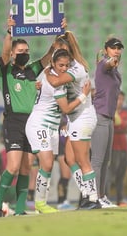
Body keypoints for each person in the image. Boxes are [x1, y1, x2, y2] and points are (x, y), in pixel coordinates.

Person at [0, 17, 67, 217]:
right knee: (14, 166)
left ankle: (19, 209)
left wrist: (59, 33)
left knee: (26, 166)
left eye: (27, 51)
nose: (24, 54)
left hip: (32, 122)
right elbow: (5, 51)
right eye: (20, 52)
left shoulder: (34, 70)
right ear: (13, 54)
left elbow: (51, 54)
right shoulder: (6, 70)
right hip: (13, 121)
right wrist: (10, 31)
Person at [25, 49, 91, 213]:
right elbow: (66, 108)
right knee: (46, 163)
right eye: (61, 65)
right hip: (40, 124)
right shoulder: (57, 83)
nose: (64, 68)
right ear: (53, 63)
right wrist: (83, 95)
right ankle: (38, 203)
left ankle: (41, 203)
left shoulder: (49, 75)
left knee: (47, 165)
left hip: (51, 127)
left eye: (67, 65)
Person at [45, 31, 101, 209]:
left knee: (82, 160)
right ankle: (86, 193)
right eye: (57, 48)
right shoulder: (64, 69)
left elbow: (55, 82)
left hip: (82, 117)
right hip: (75, 118)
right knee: (70, 159)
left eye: (63, 47)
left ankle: (92, 199)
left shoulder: (75, 69)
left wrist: (47, 71)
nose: (59, 51)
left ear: (69, 49)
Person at [90, 37, 124, 208]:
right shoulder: (104, 64)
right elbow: (108, 63)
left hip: (109, 118)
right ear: (106, 50)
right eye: (113, 47)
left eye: (119, 48)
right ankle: (94, 197)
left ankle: (101, 196)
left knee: (106, 161)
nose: (117, 50)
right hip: (100, 115)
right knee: (97, 160)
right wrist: (111, 60)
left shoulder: (116, 72)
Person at [107, 91, 127, 207]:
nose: (120, 101)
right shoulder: (109, 113)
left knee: (121, 175)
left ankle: (120, 199)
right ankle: (105, 198)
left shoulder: (125, 113)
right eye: (118, 99)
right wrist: (120, 126)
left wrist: (119, 126)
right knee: (110, 175)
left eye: (122, 99)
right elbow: (118, 126)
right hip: (113, 147)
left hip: (124, 147)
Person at [56, 116, 76, 210]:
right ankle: (61, 201)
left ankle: (64, 200)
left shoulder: (68, 117)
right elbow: (63, 136)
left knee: (66, 176)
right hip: (62, 149)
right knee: (65, 175)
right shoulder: (63, 119)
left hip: (66, 148)